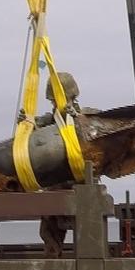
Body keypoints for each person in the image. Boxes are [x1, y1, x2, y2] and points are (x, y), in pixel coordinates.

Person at [35, 72, 97, 258]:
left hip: (82, 189)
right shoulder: (48, 122)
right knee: (49, 237)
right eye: (53, 100)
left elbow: (96, 137)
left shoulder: (87, 116)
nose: (55, 103)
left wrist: (79, 119)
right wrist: (28, 122)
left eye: (58, 99)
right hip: (55, 189)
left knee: (89, 243)